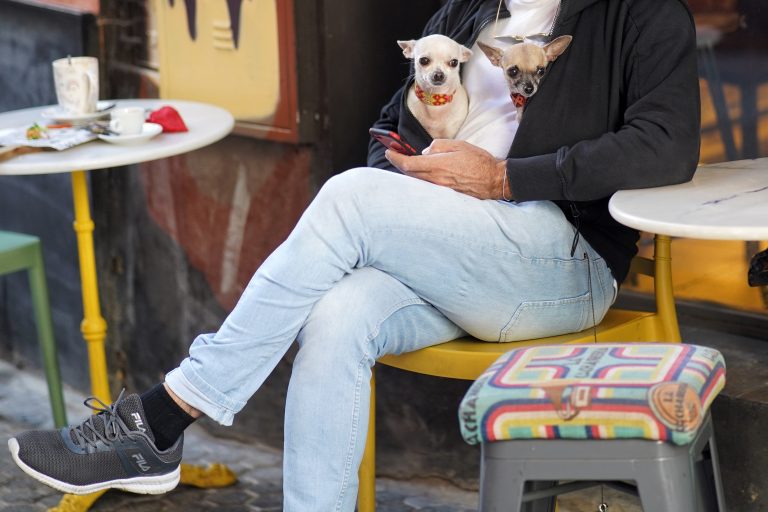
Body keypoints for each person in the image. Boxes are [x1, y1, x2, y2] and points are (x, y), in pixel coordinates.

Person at [8, 0, 700, 510]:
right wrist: (409, 173)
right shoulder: (466, 13)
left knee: (348, 198)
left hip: (564, 257)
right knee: (336, 314)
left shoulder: (641, 14)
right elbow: (386, 126)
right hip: (455, 251)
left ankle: (164, 417)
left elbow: (666, 145)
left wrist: (503, 179)